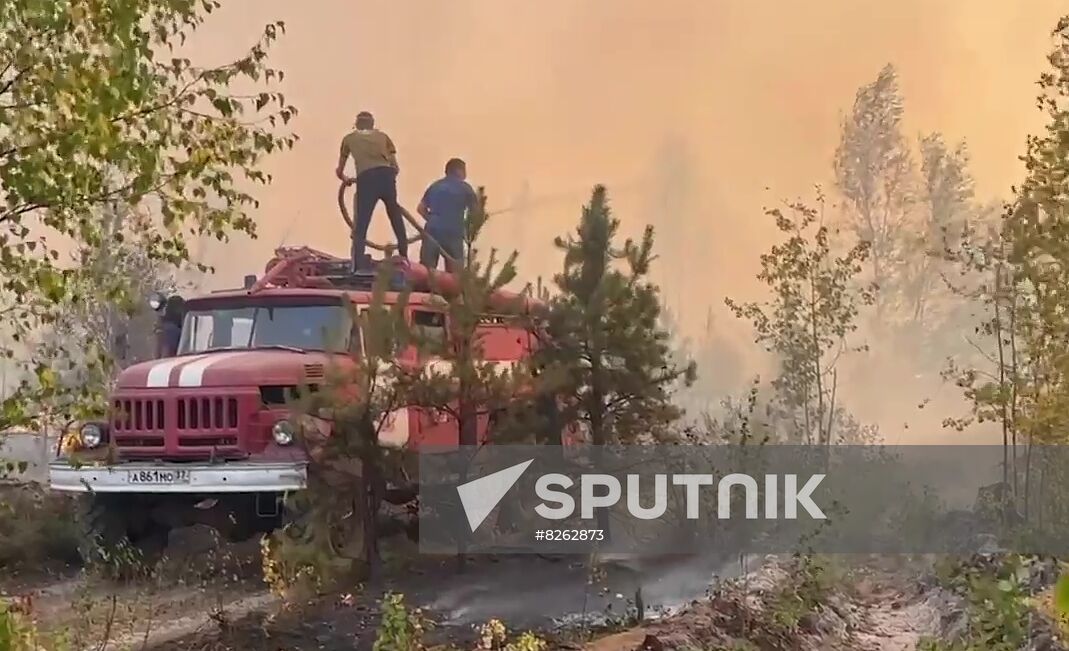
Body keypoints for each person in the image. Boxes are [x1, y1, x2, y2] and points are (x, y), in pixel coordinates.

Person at [336, 111, 407, 271]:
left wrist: (345, 178)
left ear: (356, 124)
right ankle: (404, 255)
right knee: (394, 214)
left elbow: (340, 169)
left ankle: (358, 265)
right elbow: (395, 166)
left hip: (366, 177)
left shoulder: (349, 139)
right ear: (373, 124)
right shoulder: (383, 137)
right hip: (386, 175)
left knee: (361, 222)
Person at [417, 158, 478, 272]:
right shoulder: (465, 188)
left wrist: (431, 219)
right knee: (455, 274)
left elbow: (420, 209)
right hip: (453, 233)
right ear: (459, 171)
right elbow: (475, 212)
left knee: (426, 271)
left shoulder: (435, 186)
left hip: (432, 231)